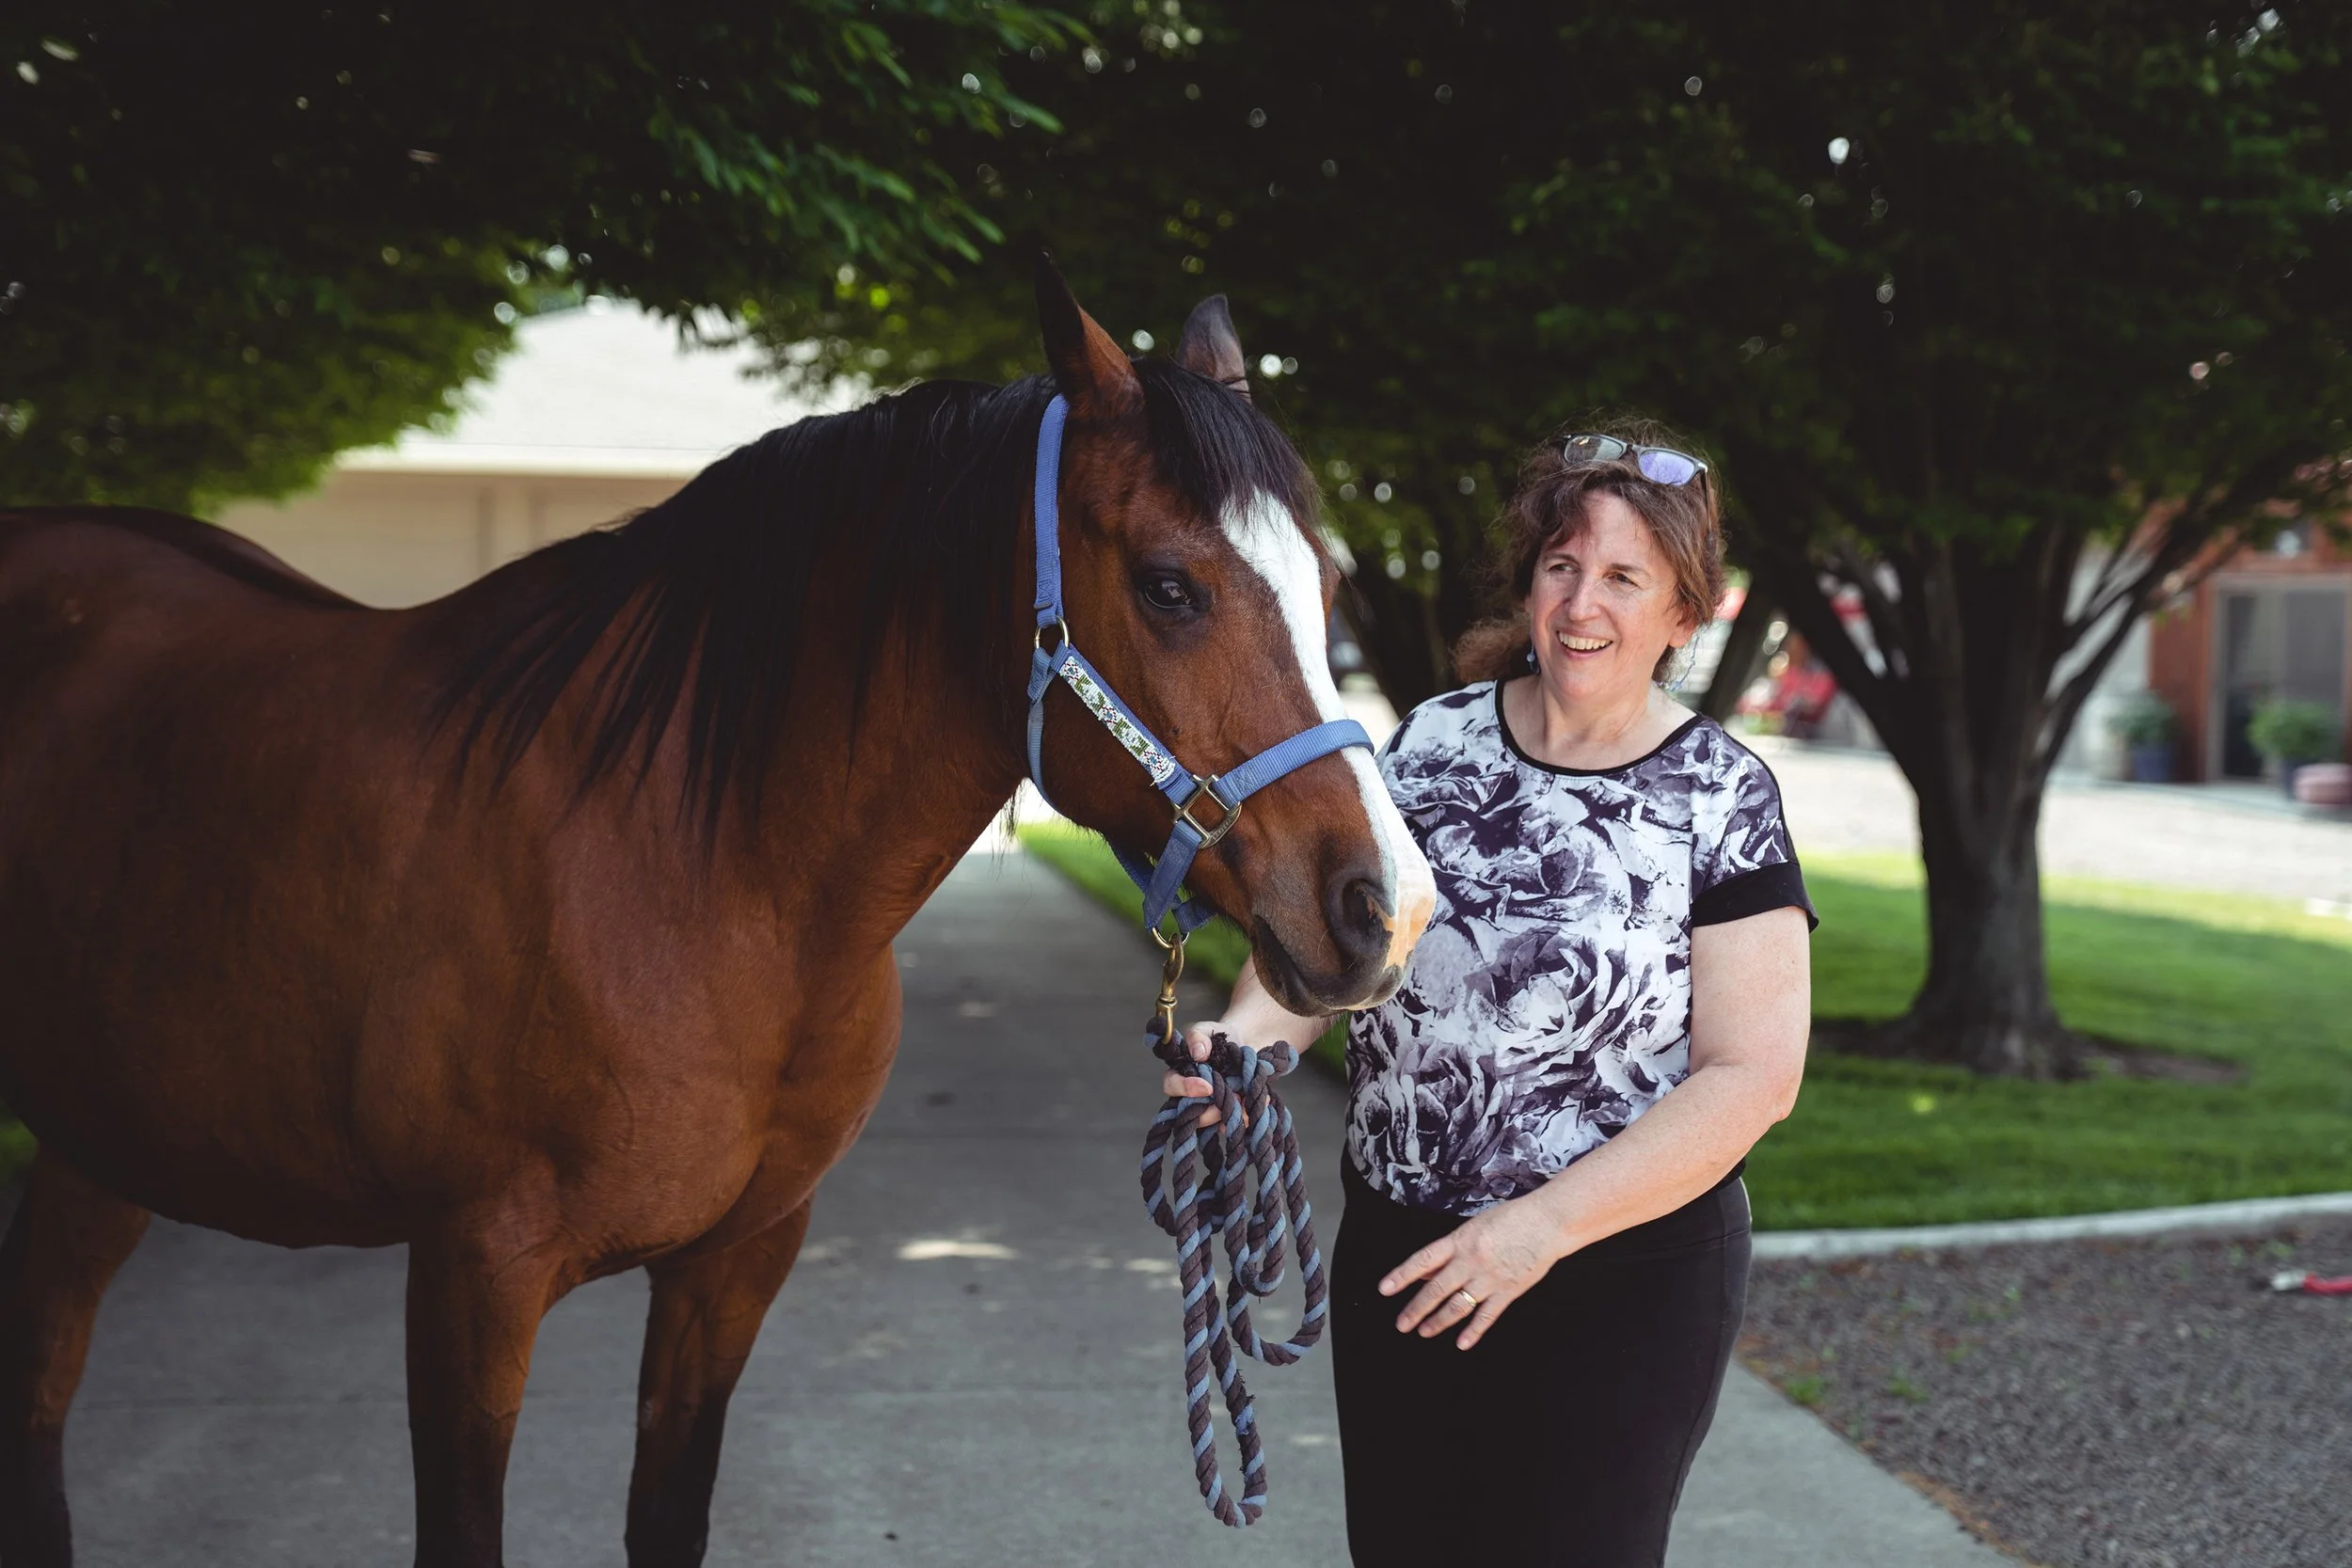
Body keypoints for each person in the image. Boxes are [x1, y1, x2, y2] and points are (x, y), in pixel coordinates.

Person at [1165, 423, 1815, 1567]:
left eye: (1624, 577)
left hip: (1617, 1272)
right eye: (1561, 564)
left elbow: (1753, 1075)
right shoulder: (1426, 746)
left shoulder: (1723, 794)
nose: (1580, 603)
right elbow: (1335, 960)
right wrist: (1243, 1045)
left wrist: (1534, 1231)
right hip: (1403, 1254)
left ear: (1680, 613)